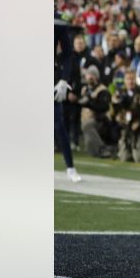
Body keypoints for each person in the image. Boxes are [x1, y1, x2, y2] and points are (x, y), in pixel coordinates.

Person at [54, 12, 81, 182]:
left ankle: (70, 167)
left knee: (58, 123)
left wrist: (63, 79)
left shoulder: (56, 20)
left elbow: (68, 53)